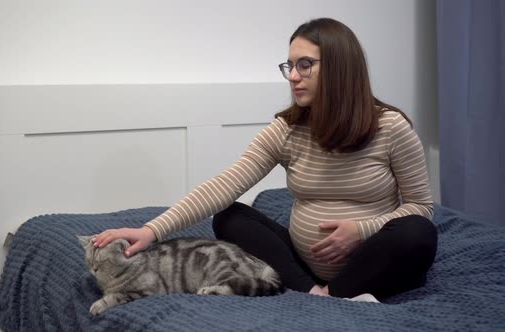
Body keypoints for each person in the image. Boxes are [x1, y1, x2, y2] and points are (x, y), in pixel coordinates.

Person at [92, 17, 437, 300]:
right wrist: (151, 230)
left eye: (305, 65)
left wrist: (361, 230)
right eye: (289, 65)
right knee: (229, 217)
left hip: (372, 263)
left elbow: (421, 205)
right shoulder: (287, 128)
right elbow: (225, 184)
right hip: (308, 268)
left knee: (418, 233)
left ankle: (334, 292)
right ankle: (318, 292)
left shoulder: (390, 127)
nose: (292, 76)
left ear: (339, 68)